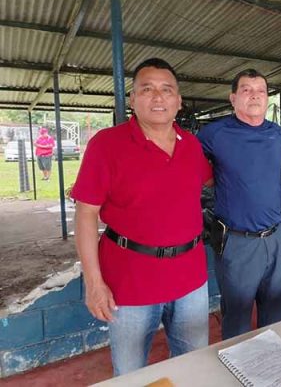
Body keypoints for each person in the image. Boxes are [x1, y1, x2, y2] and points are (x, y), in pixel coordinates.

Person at [72, 58, 213, 376]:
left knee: (194, 368)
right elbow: (86, 214)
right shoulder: (106, 145)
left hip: (190, 279)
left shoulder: (191, 145)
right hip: (130, 281)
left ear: (178, 101)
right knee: (130, 373)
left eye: (167, 90)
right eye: (147, 89)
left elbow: (211, 182)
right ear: (133, 99)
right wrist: (94, 283)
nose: (158, 97)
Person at [197, 69, 281, 340]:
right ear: (233, 98)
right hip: (238, 241)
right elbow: (186, 161)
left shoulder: (278, 135)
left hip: (276, 236)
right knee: (237, 319)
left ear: (267, 98)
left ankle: (272, 361)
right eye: (246, 90)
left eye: (260, 91)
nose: (254, 96)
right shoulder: (214, 133)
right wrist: (209, 178)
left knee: (276, 315)